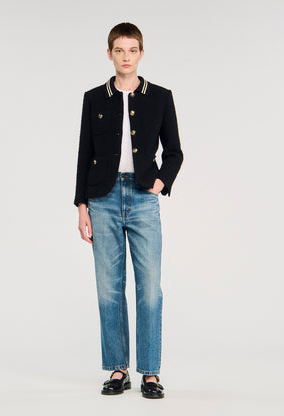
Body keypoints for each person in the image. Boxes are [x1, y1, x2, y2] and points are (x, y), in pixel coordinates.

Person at [73, 22, 183, 399]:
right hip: (101, 199)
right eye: (119, 50)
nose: (125, 57)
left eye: (132, 50)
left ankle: (150, 372)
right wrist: (81, 206)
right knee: (109, 288)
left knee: (149, 288)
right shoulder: (94, 98)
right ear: (109, 54)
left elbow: (174, 151)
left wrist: (160, 182)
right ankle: (118, 369)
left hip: (142, 198)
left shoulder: (160, 97)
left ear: (141, 53)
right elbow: (84, 154)